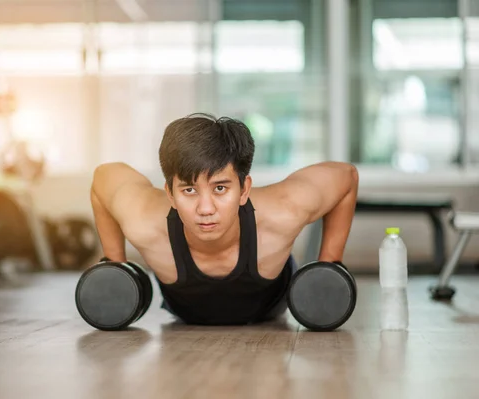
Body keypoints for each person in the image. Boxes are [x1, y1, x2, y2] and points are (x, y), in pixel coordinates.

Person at [90, 113, 359, 325]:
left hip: (272, 304)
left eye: (220, 188)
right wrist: (116, 264)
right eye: (189, 190)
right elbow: (103, 178)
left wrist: (330, 264)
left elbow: (345, 176)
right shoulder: (143, 220)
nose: (205, 209)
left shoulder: (284, 211)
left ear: (244, 189)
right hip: (185, 312)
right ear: (169, 194)